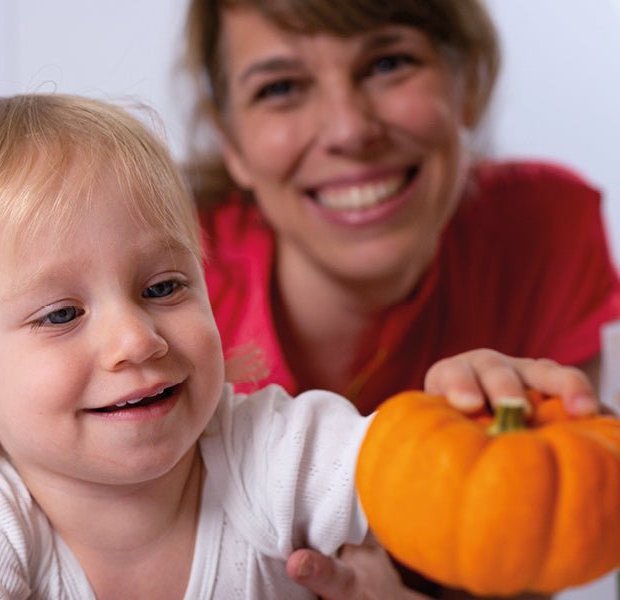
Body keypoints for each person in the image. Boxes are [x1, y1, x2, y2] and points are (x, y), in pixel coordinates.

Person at [0, 93, 598, 599]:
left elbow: (438, 490)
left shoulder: (272, 450)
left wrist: (490, 426)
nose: (135, 339)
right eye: (59, 315)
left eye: (163, 287)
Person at [181, 1, 620, 595]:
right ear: (231, 142)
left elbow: (536, 554)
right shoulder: (159, 282)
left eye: (389, 63)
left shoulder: (547, 231)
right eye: (281, 87)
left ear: (468, 84)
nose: (349, 130)